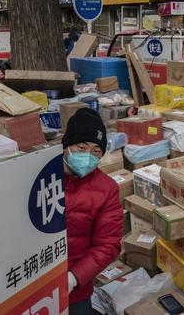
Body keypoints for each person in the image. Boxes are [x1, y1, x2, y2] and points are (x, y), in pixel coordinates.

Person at [63, 108, 123, 315]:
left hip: (76, 290)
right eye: (81, 147)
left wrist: (74, 278)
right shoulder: (42, 177)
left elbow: (108, 244)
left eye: (96, 151)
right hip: (34, 282)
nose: (88, 156)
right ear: (66, 145)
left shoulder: (106, 189)